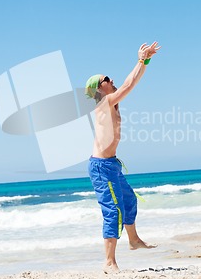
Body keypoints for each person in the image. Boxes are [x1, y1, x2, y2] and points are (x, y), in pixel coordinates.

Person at [84, 42, 161, 273]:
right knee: (113, 211)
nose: (111, 79)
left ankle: (134, 241)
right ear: (99, 88)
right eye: (106, 78)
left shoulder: (112, 103)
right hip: (100, 167)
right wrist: (141, 60)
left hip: (112, 165)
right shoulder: (104, 103)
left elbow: (128, 84)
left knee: (129, 201)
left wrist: (144, 62)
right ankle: (109, 262)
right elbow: (129, 85)